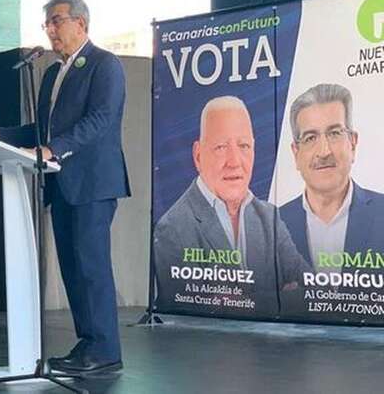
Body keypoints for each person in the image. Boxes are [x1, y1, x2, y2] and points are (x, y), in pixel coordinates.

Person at [0, 0, 130, 374]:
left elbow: (100, 120)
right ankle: (88, 343)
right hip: (60, 183)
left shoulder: (105, 65)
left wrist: (54, 149)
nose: (51, 30)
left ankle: (106, 350)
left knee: (92, 267)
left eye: (57, 21)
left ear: (81, 24)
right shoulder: (53, 74)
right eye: (47, 24)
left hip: (93, 183)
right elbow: (39, 131)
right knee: (72, 269)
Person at [154, 96, 309, 315]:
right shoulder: (172, 228)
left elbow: (311, 292)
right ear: (198, 156)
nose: (234, 161)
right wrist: (280, 298)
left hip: (268, 346)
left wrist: (242, 301)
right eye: (220, 147)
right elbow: (187, 309)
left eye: (244, 145)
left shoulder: (269, 217)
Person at [280, 84, 384, 270]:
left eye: (334, 133)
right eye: (310, 138)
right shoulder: (273, 225)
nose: (324, 151)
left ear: (352, 144)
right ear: (296, 153)